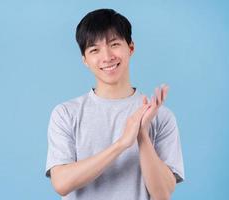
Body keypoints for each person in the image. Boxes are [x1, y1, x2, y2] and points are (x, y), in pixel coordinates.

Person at [45, 8, 184, 200]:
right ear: (85, 60)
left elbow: (163, 194)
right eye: (95, 49)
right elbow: (61, 183)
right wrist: (121, 144)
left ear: (131, 48)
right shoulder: (66, 113)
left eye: (114, 44)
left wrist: (142, 135)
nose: (107, 56)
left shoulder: (161, 116)